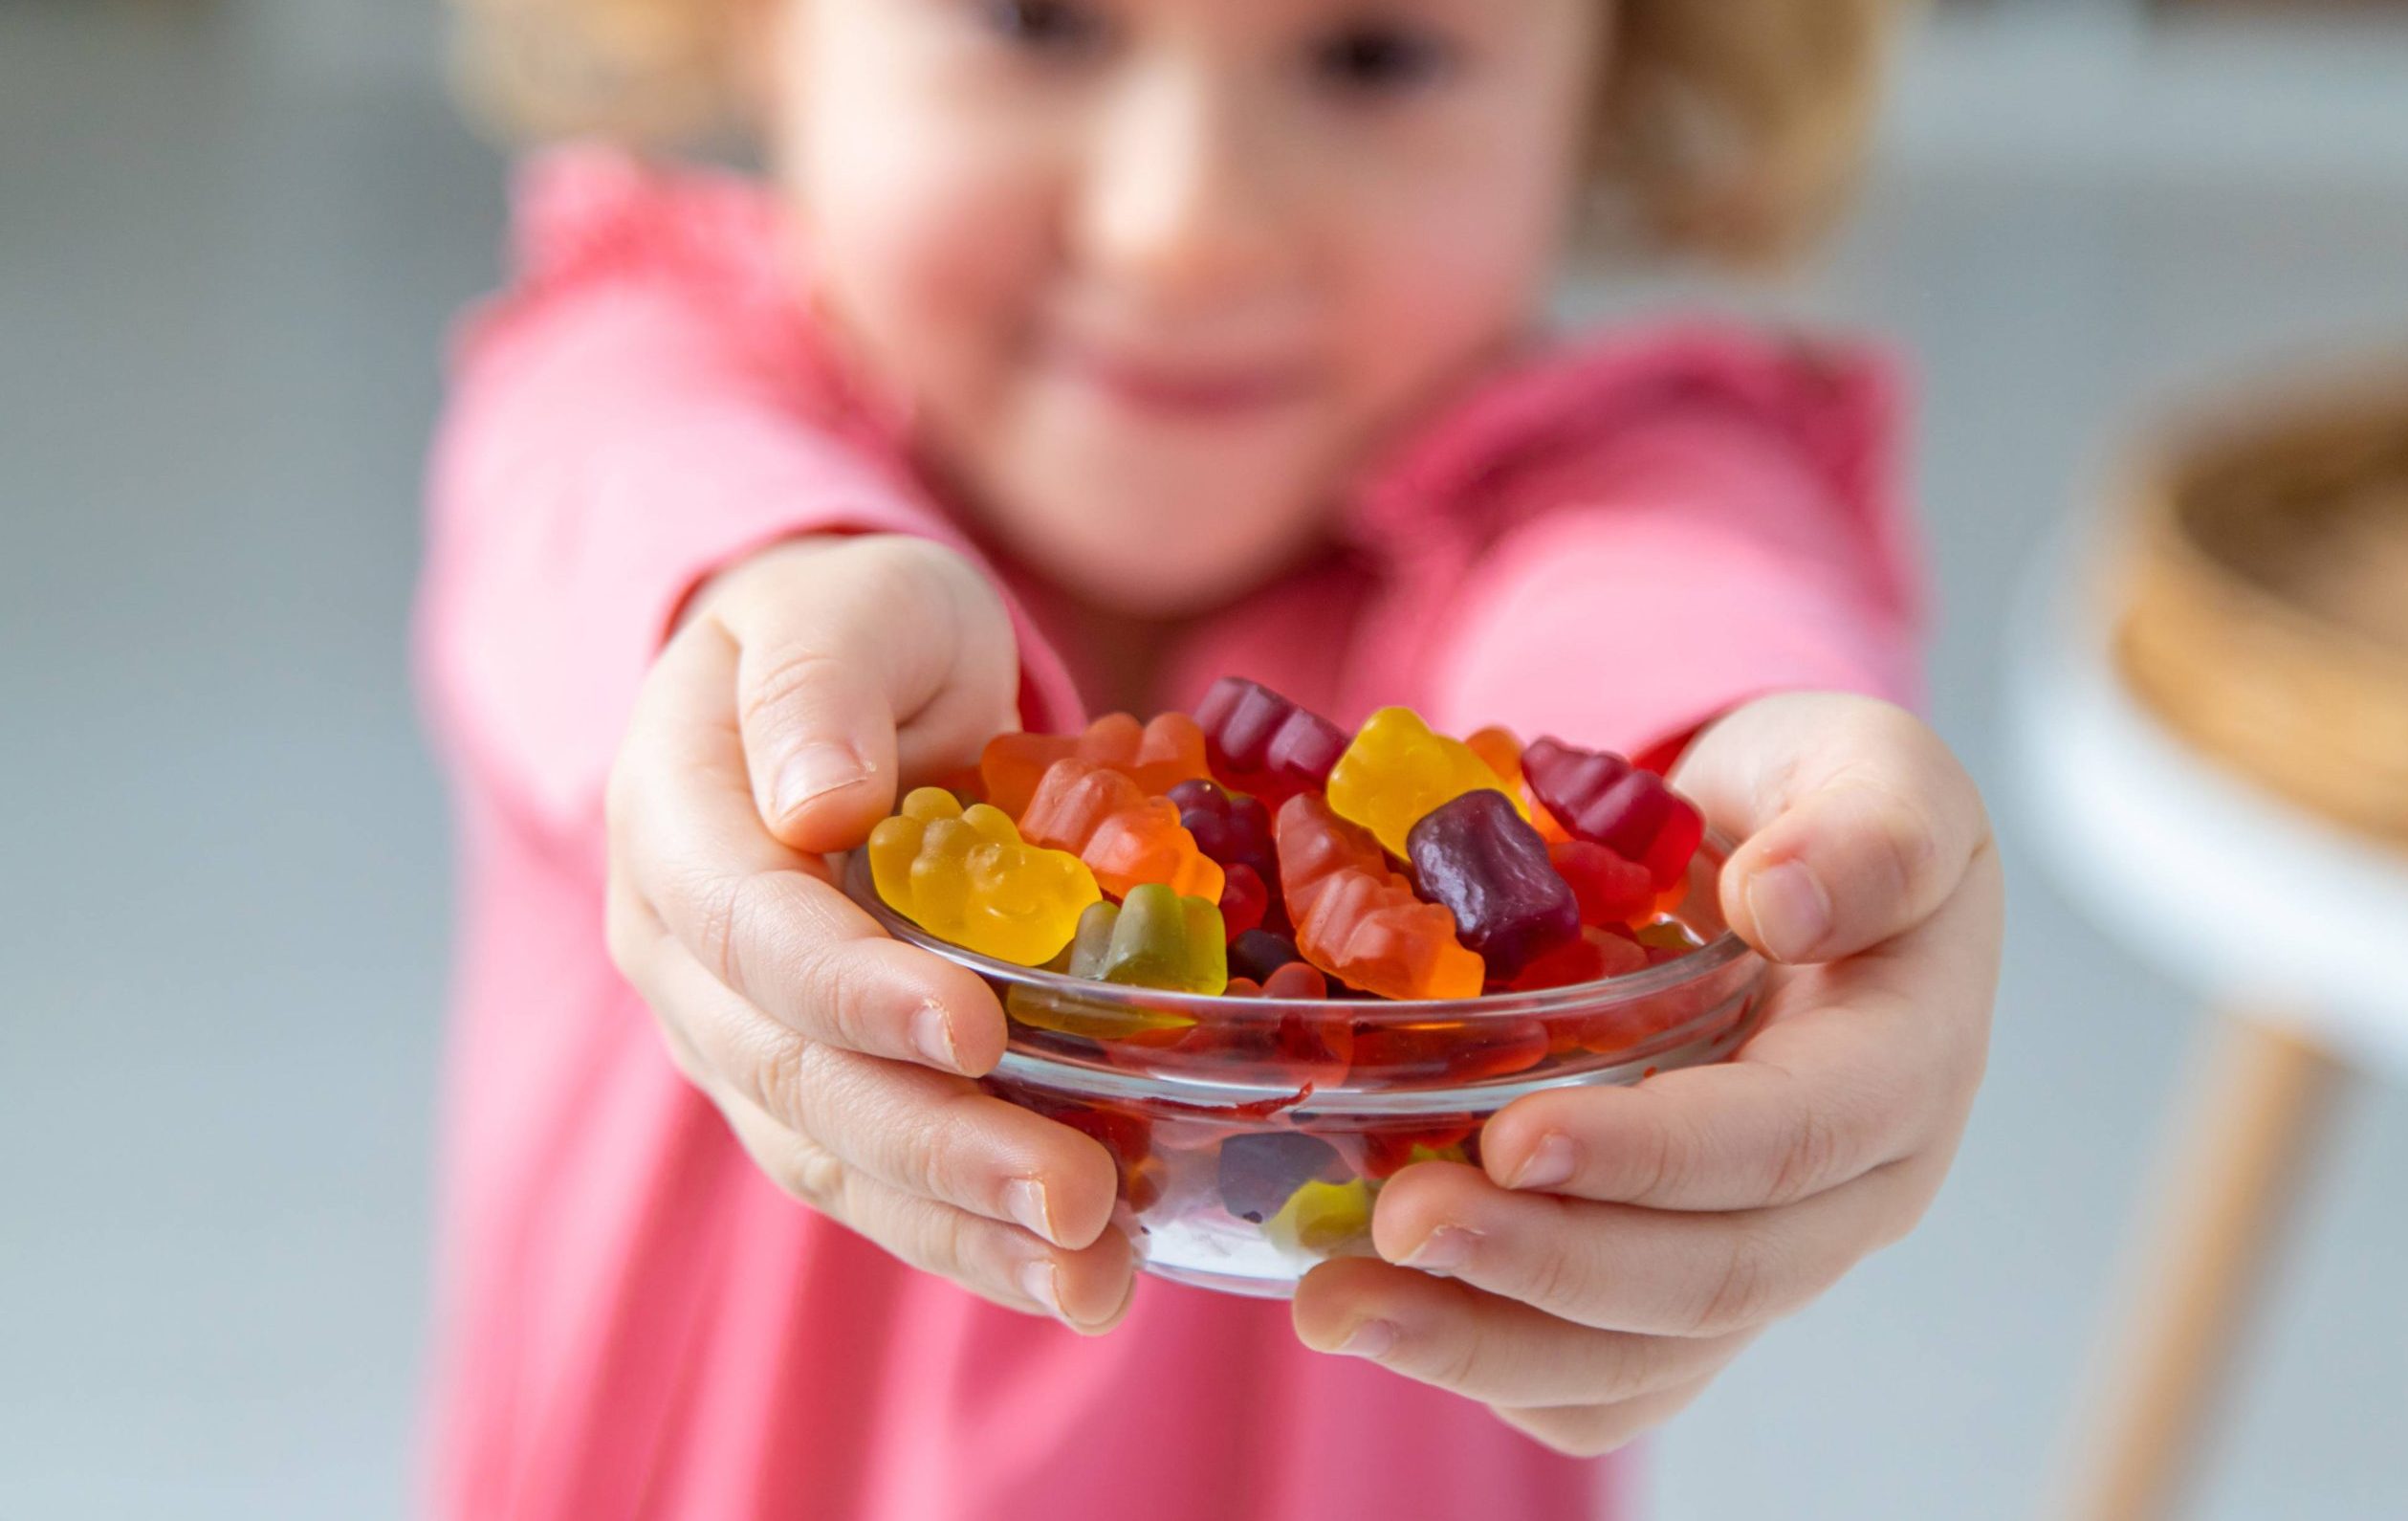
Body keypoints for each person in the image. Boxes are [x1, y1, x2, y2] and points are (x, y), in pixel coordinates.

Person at [412, 1, 2003, 1515]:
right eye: (1038, 20)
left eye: (1375, 51)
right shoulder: (643, 383)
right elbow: (626, 508)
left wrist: (1757, 793)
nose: (1187, 224)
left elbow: (1674, 607)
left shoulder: (1621, 487)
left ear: (1617, 63)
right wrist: (770, 620)